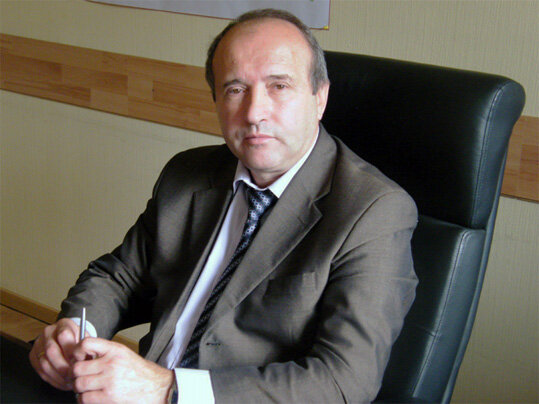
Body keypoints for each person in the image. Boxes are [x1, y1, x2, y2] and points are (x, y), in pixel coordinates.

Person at [29, 8, 418, 404]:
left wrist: (166, 389)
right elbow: (120, 276)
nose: (254, 112)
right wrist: (75, 333)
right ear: (216, 100)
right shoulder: (187, 174)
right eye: (235, 89)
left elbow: (344, 381)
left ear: (320, 97)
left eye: (279, 86)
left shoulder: (374, 212)